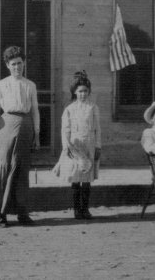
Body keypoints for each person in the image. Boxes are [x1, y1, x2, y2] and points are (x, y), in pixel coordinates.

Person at [0, 46, 40, 228]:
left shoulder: (30, 85)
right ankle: (1, 214)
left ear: (24, 63)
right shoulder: (0, 85)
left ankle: (22, 213)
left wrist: (37, 134)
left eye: (20, 63)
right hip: (5, 128)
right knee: (3, 168)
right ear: (7, 65)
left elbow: (35, 110)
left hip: (26, 128)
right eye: (13, 64)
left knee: (21, 171)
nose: (17, 67)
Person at [52, 71, 101, 220]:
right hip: (74, 145)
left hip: (89, 145)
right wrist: (66, 146)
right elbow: (65, 129)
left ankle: (85, 209)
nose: (83, 94)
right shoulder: (70, 109)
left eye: (85, 91)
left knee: (86, 178)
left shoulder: (93, 108)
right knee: (75, 177)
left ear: (89, 92)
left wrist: (98, 146)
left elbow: (97, 128)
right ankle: (76, 210)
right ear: (74, 92)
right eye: (80, 91)